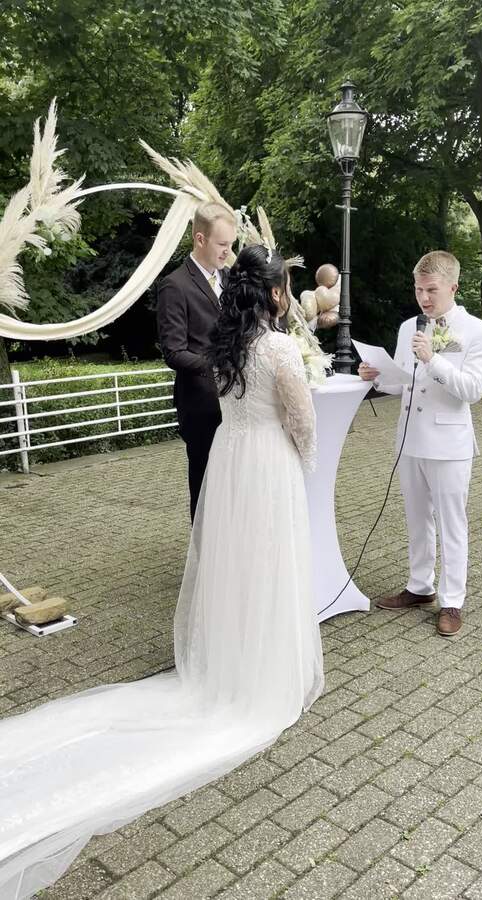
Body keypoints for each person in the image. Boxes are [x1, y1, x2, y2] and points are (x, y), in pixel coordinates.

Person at [0, 245, 323, 899]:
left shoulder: (227, 347)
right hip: (266, 466)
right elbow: (301, 421)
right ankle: (263, 674)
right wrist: (305, 466)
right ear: (275, 294)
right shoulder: (278, 349)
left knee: (236, 566)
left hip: (230, 462)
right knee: (268, 567)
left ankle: (229, 660)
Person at [359, 250, 482, 636]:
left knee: (452, 523)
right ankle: (420, 587)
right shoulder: (409, 327)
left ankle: (452, 600)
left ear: (453, 287)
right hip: (410, 439)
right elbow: (403, 380)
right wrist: (375, 376)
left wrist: (434, 359)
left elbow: (471, 390)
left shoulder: (479, 332)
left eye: (431, 290)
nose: (423, 297)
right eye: (418, 289)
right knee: (417, 518)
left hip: (450, 443)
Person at [157, 201, 237, 521]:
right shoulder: (174, 285)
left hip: (238, 402)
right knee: (205, 487)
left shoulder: (230, 278)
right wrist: (218, 365)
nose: (228, 251)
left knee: (234, 485)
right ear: (200, 239)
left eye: (231, 244)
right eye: (222, 244)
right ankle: (203, 551)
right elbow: (174, 352)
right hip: (201, 405)